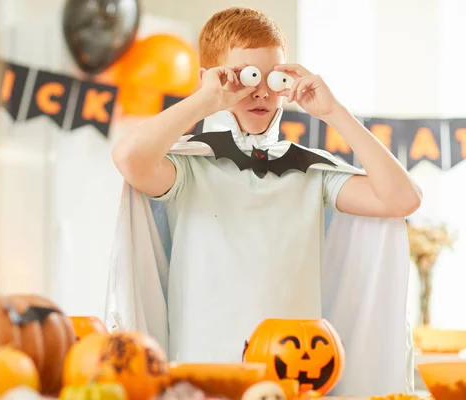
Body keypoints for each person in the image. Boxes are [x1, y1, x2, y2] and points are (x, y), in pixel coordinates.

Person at [105, 7, 421, 396]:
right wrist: (205, 101)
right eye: (242, 77)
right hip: (207, 380)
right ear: (209, 79)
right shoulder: (190, 168)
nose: (260, 91)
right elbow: (129, 158)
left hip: (295, 376)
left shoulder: (309, 172)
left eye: (272, 77)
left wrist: (333, 112)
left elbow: (402, 199)